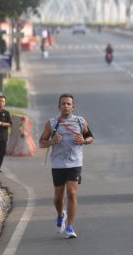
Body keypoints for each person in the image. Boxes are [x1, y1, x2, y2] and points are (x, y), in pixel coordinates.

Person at [39, 94, 94, 239]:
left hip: (75, 162)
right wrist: (52, 141)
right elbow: (41, 142)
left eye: (69, 104)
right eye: (63, 104)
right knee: (58, 198)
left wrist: (83, 141)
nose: (66, 106)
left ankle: (70, 227)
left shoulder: (80, 121)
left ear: (73, 107)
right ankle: (60, 214)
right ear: (59, 107)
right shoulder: (52, 123)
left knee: (72, 193)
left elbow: (91, 137)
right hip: (58, 163)